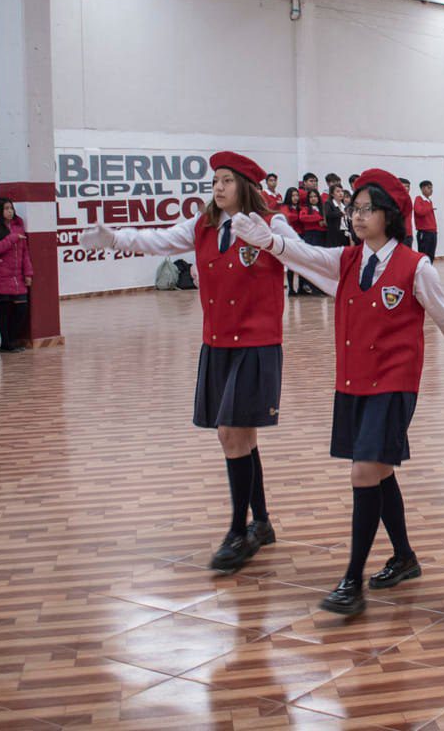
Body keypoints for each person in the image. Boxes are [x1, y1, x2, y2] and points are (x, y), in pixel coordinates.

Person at [230, 168, 444, 616]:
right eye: (355, 208)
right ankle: (404, 556)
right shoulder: (349, 260)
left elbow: (443, 313)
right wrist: (268, 241)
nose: (358, 216)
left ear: (388, 214)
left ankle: (352, 579)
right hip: (352, 383)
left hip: (393, 384)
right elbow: (303, 254)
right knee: (379, 472)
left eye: (367, 209)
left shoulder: (415, 265)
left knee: (364, 473)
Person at [81, 152, 292, 573]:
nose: (218, 187)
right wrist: (115, 238)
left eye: (228, 180)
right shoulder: (203, 225)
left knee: (233, 433)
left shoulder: (273, 224)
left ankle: (237, 532)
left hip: (256, 343)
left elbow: (301, 255)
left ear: (246, 186)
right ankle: (262, 523)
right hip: (217, 344)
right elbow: (156, 240)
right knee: (238, 437)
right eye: (215, 179)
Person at [0, 198, 33, 353]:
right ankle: (6, 342)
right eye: (6, 208)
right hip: (1, 275)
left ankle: (12, 339)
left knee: (22, 309)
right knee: (4, 311)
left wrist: (28, 272)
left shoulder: (18, 227)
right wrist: (12, 238)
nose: (10, 211)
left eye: (11, 208)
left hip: (18, 276)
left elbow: (25, 253)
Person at [413, 181, 438, 260]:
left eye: (431, 188)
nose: (431, 190)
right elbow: (419, 211)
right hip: (424, 233)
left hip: (432, 232)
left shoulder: (429, 201)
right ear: (423, 189)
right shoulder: (419, 199)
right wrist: (430, 208)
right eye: (429, 188)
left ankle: (428, 271)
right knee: (424, 255)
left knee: (431, 255)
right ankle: (422, 272)